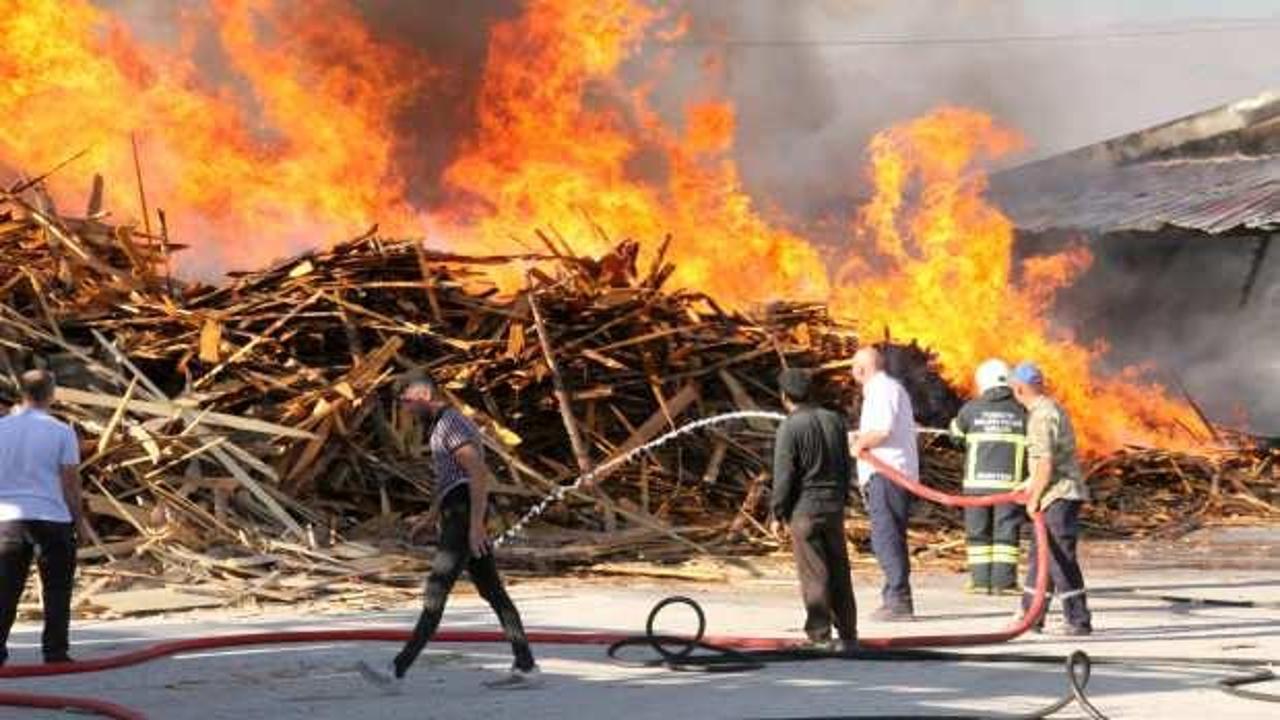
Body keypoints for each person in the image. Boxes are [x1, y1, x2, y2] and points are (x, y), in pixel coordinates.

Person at [359, 373, 540, 691]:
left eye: (406, 402)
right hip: (456, 511)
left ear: (423, 393)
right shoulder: (443, 426)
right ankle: (526, 665)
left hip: (464, 515)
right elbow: (451, 480)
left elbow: (477, 474)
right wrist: (431, 517)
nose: (405, 410)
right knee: (494, 593)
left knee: (436, 590)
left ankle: (396, 670)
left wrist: (475, 526)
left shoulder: (451, 424)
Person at [0, 370, 87, 666]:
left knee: (5, 590)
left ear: (20, 392)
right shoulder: (61, 431)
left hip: (8, 519)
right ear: (52, 393)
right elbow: (70, 484)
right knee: (57, 589)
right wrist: (80, 521)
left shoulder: (1, 429)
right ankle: (56, 653)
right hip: (52, 518)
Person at [770, 368, 857, 652]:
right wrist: (842, 499)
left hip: (804, 509)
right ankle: (848, 633)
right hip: (833, 506)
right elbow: (846, 466)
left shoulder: (790, 426)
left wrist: (777, 512)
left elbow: (784, 474)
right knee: (839, 570)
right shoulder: (835, 420)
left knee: (814, 573)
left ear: (785, 396)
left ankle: (820, 636)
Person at [1008, 362, 1092, 636]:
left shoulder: (1042, 416)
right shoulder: (1047, 409)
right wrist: (1026, 486)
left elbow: (1045, 462)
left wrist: (1033, 498)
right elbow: (1042, 466)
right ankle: (1033, 615)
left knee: (1058, 559)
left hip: (1059, 495)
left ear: (1019, 388)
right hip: (1054, 493)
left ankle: (1078, 619)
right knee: (1040, 557)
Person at [849, 347, 918, 621]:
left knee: (885, 537)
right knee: (890, 537)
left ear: (862, 369)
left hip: (888, 475)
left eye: (854, 367)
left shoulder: (882, 390)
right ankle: (897, 596)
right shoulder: (886, 390)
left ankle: (897, 600)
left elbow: (881, 430)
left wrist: (858, 445)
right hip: (890, 474)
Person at [949, 359, 1027, 595]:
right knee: (1006, 533)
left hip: (976, 485)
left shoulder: (971, 409)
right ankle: (1004, 583)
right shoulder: (1022, 410)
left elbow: (955, 436)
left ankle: (980, 582)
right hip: (1010, 486)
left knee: (978, 533)